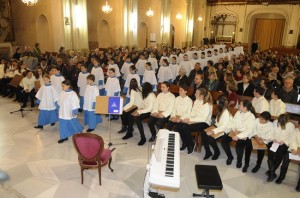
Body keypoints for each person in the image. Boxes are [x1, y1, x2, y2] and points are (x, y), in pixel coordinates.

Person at [176, 88, 213, 155]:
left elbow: (203, 119)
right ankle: (185, 143)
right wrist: (182, 118)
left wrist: (190, 120)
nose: (195, 94)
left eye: (196, 93)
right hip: (195, 120)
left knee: (185, 127)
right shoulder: (197, 101)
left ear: (201, 96)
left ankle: (191, 144)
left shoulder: (208, 105)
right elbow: (192, 113)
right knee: (179, 125)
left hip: (204, 123)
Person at [266, 113, 295, 182]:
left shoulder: (291, 126)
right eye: (279, 121)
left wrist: (284, 141)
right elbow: (271, 132)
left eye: (281, 123)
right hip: (274, 141)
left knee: (279, 158)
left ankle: (271, 172)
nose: (279, 123)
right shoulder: (275, 122)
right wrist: (273, 139)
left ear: (286, 122)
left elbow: (291, 137)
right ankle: (272, 173)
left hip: (283, 144)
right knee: (270, 156)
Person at [231, 100, 256, 172]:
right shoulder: (238, 112)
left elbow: (249, 130)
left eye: (240, 105)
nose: (239, 106)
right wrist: (235, 129)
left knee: (248, 150)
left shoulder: (251, 116)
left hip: (248, 136)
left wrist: (239, 135)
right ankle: (239, 161)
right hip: (238, 134)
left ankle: (246, 164)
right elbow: (233, 122)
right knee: (238, 148)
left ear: (245, 107)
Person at [205, 96, 233, 161]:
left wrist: (213, 131)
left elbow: (223, 127)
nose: (216, 102)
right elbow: (218, 122)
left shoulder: (226, 112)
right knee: (207, 135)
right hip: (220, 127)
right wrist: (212, 127)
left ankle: (230, 157)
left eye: (217, 101)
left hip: (226, 130)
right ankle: (217, 152)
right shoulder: (221, 110)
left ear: (220, 103)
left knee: (222, 141)